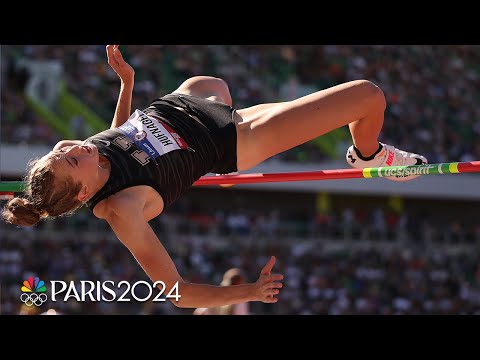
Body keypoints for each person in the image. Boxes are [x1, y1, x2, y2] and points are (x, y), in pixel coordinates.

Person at [2, 45, 427, 309]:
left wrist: (127, 83)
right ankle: (368, 153)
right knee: (368, 96)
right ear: (82, 194)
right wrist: (247, 293)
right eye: (71, 160)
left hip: (193, 103)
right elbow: (177, 293)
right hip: (234, 138)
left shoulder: (91, 157)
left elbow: (116, 136)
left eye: (62, 148)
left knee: (213, 82)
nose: (74, 147)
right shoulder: (120, 209)